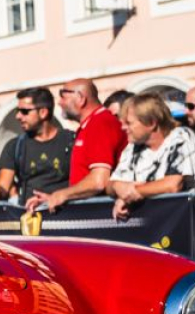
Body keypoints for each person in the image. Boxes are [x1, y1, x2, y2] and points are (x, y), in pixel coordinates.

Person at [27, 79, 126, 214]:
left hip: (101, 216)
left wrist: (63, 194)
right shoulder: (89, 125)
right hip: (91, 212)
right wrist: (52, 198)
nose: (59, 102)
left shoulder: (101, 123)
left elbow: (99, 181)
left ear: (80, 98)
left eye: (63, 95)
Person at [108, 92, 195, 220]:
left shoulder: (182, 137)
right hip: (152, 226)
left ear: (151, 123)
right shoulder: (133, 147)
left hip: (189, 223)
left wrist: (131, 193)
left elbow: (173, 185)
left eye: (129, 123)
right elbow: (110, 185)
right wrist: (118, 187)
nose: (123, 127)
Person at [0, 87, 73, 213]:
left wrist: (57, 197)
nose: (18, 116)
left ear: (43, 112)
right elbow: (2, 185)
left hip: (67, 218)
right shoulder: (14, 146)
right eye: (18, 111)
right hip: (29, 222)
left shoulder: (71, 141)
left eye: (24, 111)